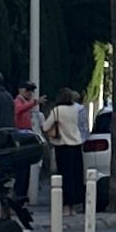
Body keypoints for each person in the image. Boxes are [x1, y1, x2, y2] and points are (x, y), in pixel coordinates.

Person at [43, 88, 85, 216]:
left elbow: (45, 126)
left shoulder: (57, 110)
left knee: (65, 177)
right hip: (77, 145)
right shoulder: (77, 109)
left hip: (62, 146)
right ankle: (75, 206)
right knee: (76, 176)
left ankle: (66, 206)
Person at [13, 81, 45, 201]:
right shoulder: (18, 102)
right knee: (21, 171)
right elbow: (18, 110)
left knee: (26, 171)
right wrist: (34, 103)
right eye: (27, 90)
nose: (30, 93)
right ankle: (18, 196)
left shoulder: (26, 104)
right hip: (20, 138)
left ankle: (22, 197)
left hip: (26, 136)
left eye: (31, 91)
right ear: (21, 90)